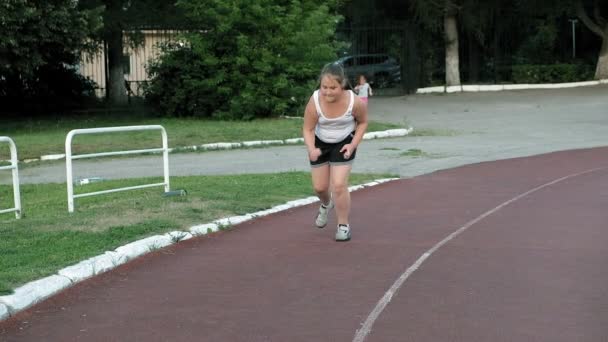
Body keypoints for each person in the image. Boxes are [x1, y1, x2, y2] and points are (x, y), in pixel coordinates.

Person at [302, 63, 369, 241]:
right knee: (320, 187)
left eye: (333, 87)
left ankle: (343, 225)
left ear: (343, 85)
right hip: (320, 143)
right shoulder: (315, 101)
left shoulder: (354, 101)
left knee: (338, 185)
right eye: (324, 87)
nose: (328, 92)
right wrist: (312, 149)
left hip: (345, 142)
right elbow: (308, 129)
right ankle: (325, 204)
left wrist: (353, 144)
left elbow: (363, 122)